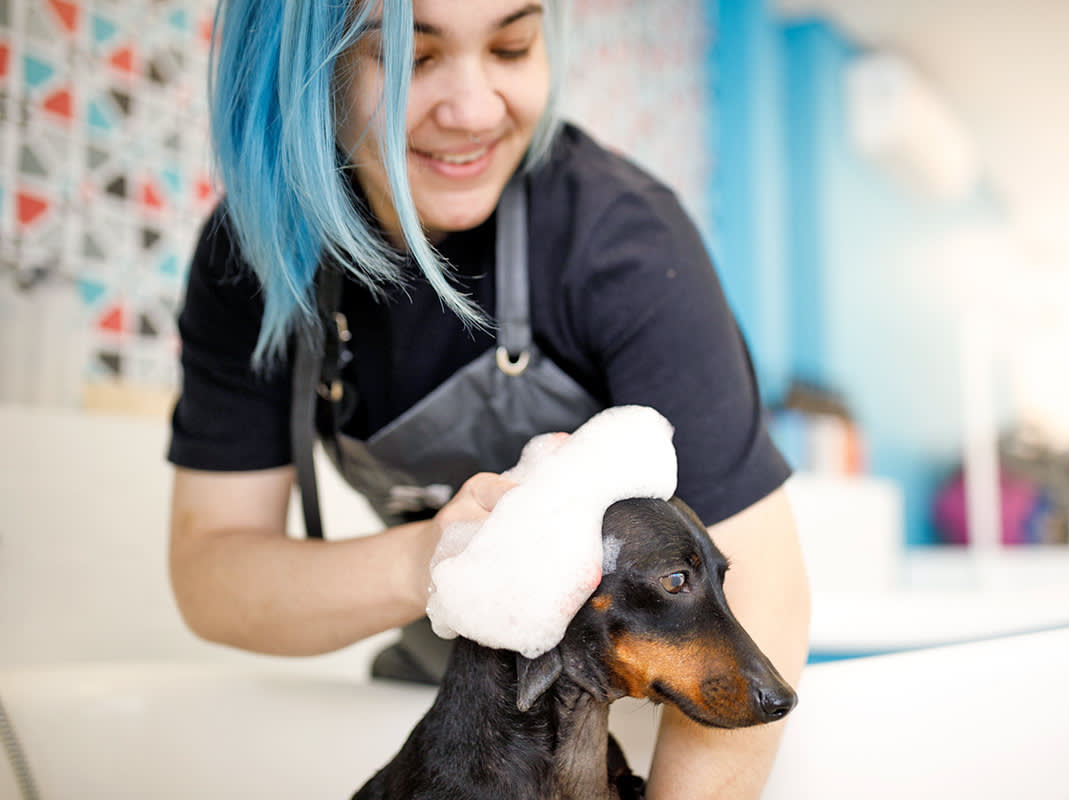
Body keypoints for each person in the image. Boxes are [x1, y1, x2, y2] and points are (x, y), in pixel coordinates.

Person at [166, 0, 811, 797]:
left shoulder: (621, 238)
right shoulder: (253, 261)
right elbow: (213, 574)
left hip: (630, 725)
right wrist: (434, 563)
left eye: (512, 46)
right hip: (444, 708)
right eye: (409, 59)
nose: (471, 110)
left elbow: (762, 591)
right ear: (304, 70)